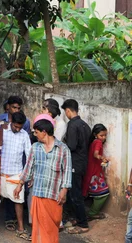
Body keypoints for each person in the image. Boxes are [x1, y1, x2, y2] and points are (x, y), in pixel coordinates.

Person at [15, 119, 71, 243]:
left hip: (54, 195)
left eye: (36, 132)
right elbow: (28, 168)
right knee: (38, 228)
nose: (35, 135)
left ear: (44, 132)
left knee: (51, 229)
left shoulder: (63, 149)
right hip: (38, 193)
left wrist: (64, 191)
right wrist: (19, 185)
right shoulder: (35, 148)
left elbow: (67, 172)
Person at [0, 111, 31, 238]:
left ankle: (21, 228)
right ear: (11, 121)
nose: (17, 129)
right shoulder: (3, 132)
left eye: (20, 127)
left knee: (18, 200)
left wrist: (27, 174)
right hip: (0, 171)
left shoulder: (24, 136)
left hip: (16, 173)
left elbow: (29, 155)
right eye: (16, 126)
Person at [62, 98, 91, 234]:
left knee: (75, 194)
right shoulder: (85, 125)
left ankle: (83, 223)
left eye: (65, 112)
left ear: (68, 111)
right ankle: (76, 218)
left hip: (75, 163)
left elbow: (71, 146)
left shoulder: (72, 125)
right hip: (83, 163)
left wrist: (63, 143)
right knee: (75, 193)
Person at [82, 124, 109, 221]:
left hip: (92, 171)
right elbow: (96, 154)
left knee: (97, 193)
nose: (104, 137)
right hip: (95, 173)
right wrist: (103, 158)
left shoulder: (94, 141)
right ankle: (92, 213)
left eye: (105, 135)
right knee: (103, 193)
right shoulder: (98, 142)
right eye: (102, 135)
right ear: (95, 134)